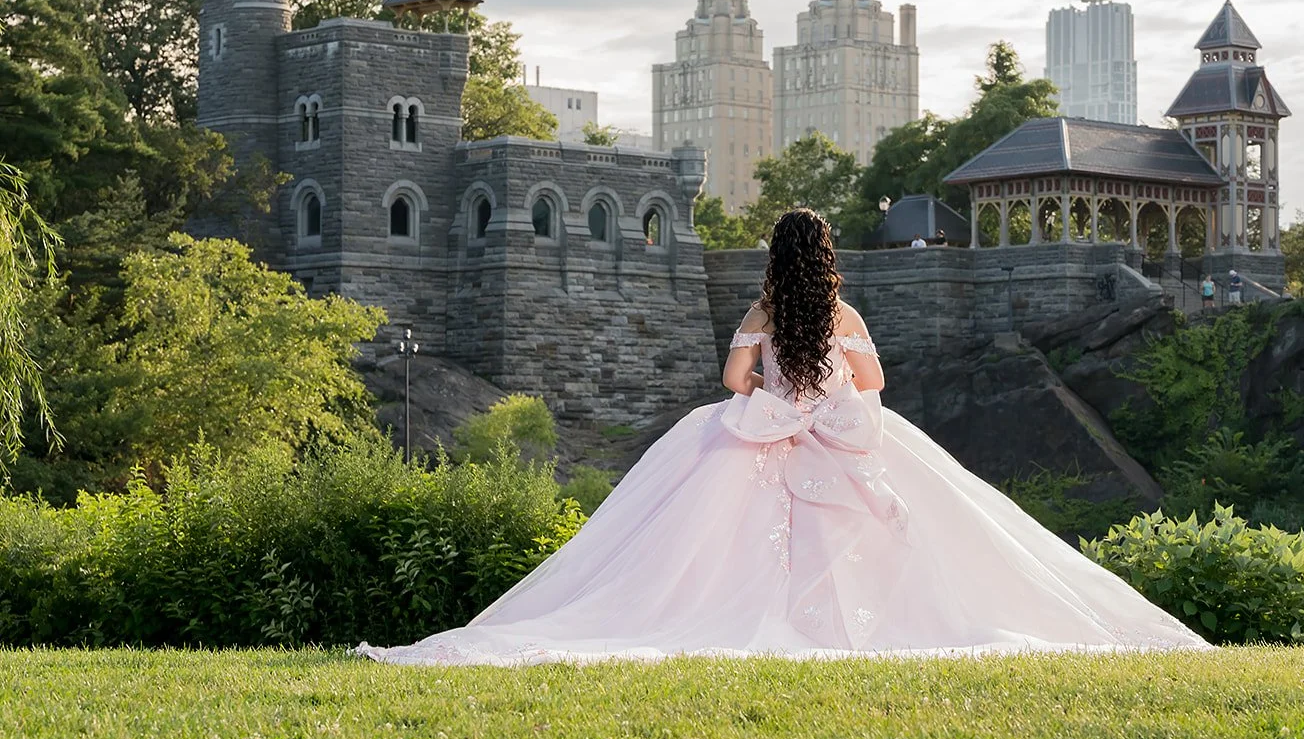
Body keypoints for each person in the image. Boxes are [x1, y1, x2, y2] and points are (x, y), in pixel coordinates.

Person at [356, 209, 1208, 664]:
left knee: (700, 549)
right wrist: (826, 394)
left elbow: (731, 383)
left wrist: (773, 385)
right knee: (882, 539)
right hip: (839, 441)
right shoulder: (843, 310)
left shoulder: (764, 310)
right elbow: (872, 383)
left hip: (763, 435)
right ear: (827, 255)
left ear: (775, 257)